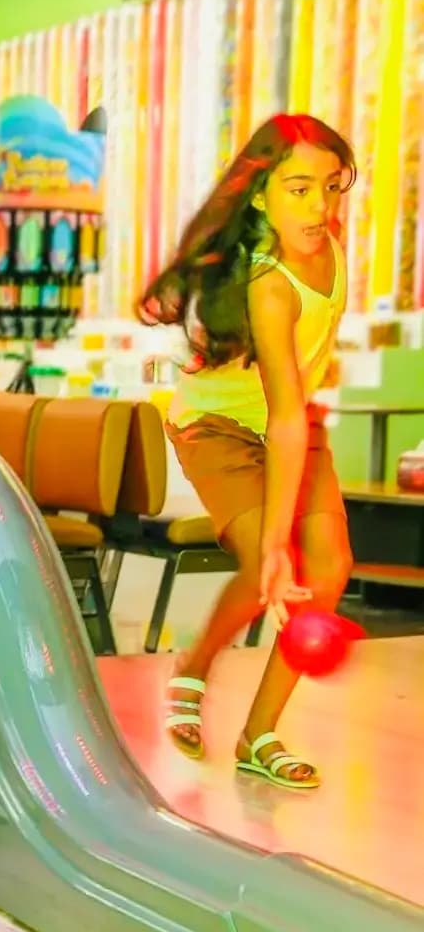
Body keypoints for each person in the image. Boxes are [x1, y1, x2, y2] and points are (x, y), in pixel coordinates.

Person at [139, 113, 355, 790]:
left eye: (329, 187)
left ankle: (258, 734)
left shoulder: (327, 243)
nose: (318, 207)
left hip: (292, 421)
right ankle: (194, 665)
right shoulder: (268, 286)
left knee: (328, 569)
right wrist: (270, 546)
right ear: (261, 195)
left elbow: (297, 405)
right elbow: (282, 416)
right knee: (272, 556)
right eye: (298, 190)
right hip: (221, 427)